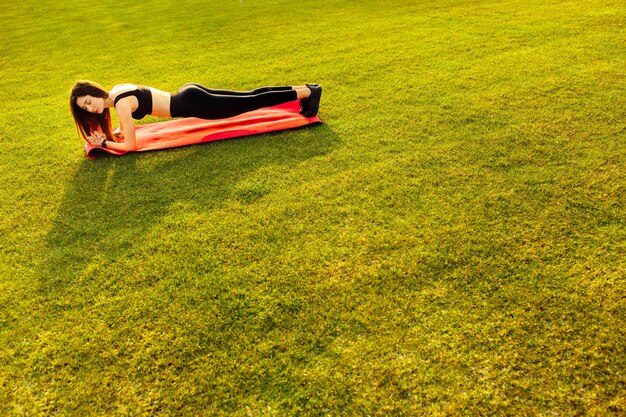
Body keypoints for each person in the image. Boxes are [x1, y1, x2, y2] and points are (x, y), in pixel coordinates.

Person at [70, 80, 322, 152]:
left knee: (251, 101)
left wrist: (104, 143)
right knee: (250, 96)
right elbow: (124, 132)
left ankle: (307, 92)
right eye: (86, 108)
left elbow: (131, 146)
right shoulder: (116, 90)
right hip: (189, 94)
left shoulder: (121, 105)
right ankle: (304, 90)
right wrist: (109, 134)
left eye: (89, 102)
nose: (91, 109)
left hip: (195, 103)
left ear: (94, 92)